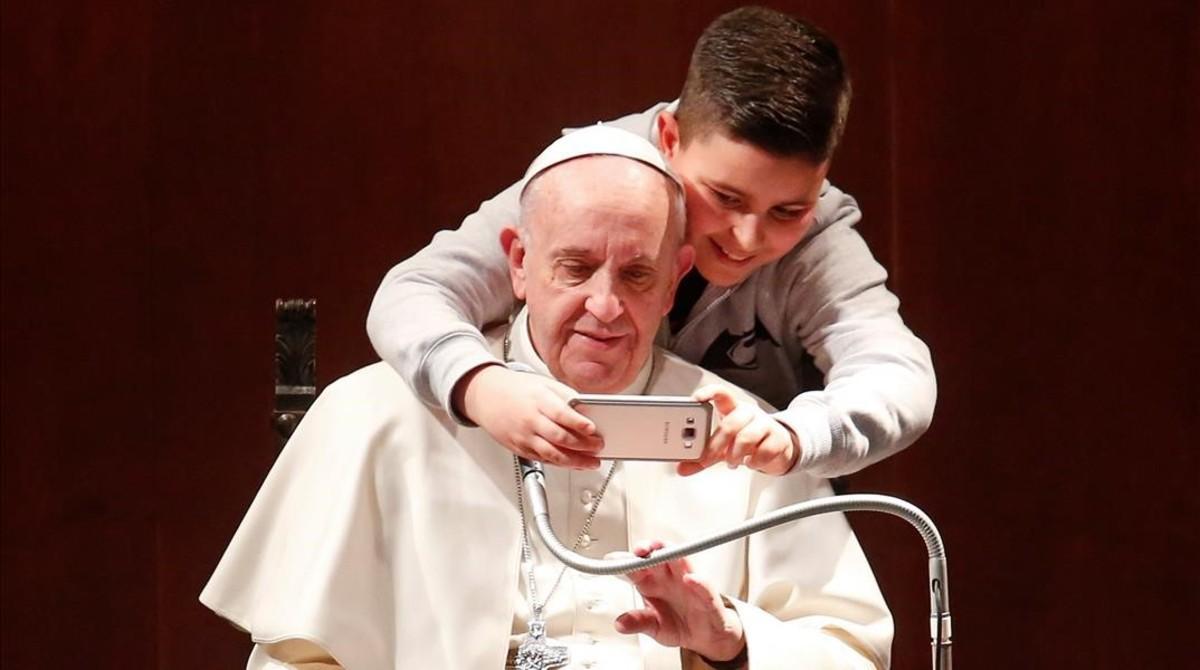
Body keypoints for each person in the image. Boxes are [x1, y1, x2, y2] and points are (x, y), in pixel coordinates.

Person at [202, 128, 891, 669]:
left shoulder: (738, 437)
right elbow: (296, 658)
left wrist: (729, 640)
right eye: (576, 267)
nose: (605, 306)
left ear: (677, 278)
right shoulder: (378, 414)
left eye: (637, 275)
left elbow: (847, 651)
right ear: (519, 263)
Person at [366, 6, 936, 480]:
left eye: (788, 210)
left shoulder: (816, 241)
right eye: (726, 197)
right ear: (669, 136)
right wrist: (479, 385)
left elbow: (898, 374)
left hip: (720, 512)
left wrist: (795, 433)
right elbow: (415, 290)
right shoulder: (591, 174)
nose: (747, 238)